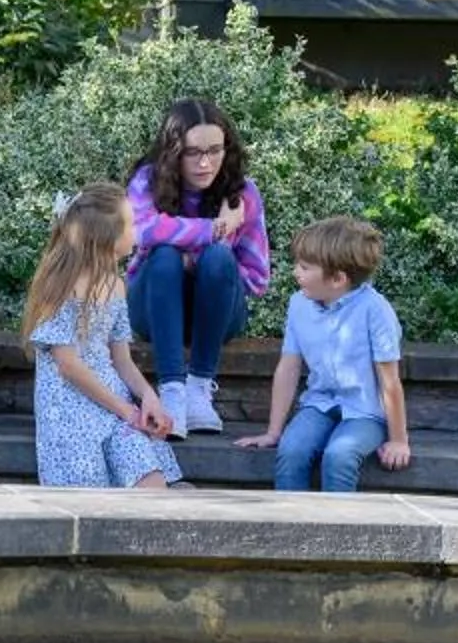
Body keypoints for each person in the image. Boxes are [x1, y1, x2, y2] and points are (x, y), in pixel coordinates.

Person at [126, 96, 272, 438]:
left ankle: (199, 388)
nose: (205, 163)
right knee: (162, 256)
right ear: (172, 151)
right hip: (154, 309)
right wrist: (215, 230)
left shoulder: (242, 194)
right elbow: (139, 231)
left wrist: (204, 258)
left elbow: (257, 278)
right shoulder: (146, 181)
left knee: (219, 258)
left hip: (217, 316)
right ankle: (173, 391)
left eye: (215, 150)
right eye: (193, 152)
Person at [24, 183, 184, 490]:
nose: (137, 228)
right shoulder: (59, 288)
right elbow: (67, 365)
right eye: (131, 223)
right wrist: (123, 409)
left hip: (114, 404)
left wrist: (148, 397)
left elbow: (121, 359)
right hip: (70, 411)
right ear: (107, 238)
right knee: (90, 497)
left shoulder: (116, 287)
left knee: (151, 480)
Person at [241, 216, 412, 493]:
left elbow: (390, 382)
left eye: (305, 267)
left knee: (340, 455)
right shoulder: (299, 305)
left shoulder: (375, 310)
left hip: (365, 412)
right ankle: (289, 525)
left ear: (338, 279)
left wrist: (399, 440)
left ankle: (339, 533)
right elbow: (289, 367)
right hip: (319, 403)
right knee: (292, 450)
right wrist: (274, 431)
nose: (296, 272)